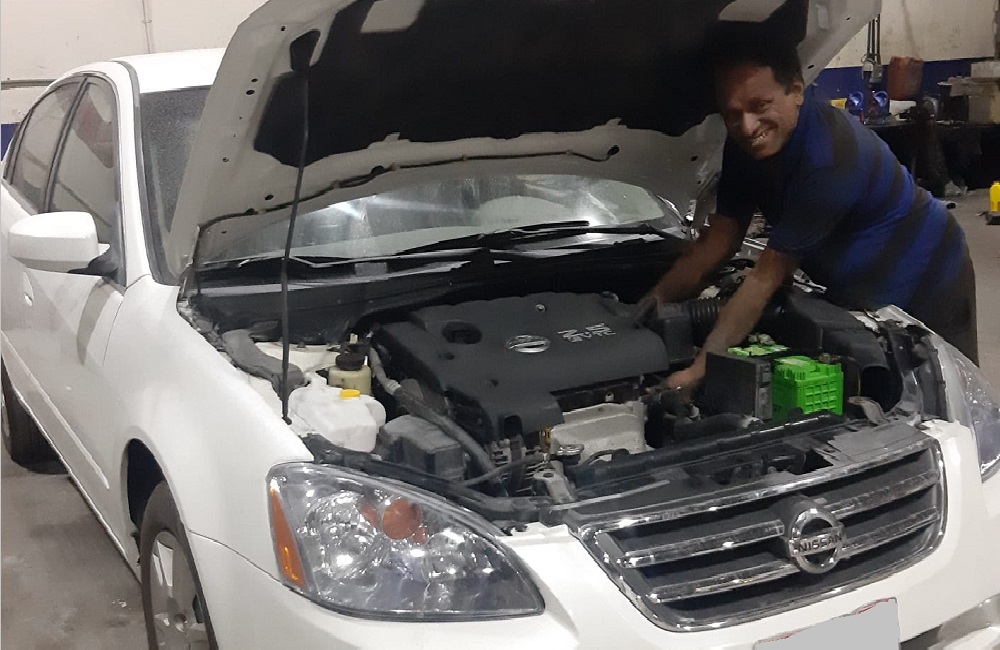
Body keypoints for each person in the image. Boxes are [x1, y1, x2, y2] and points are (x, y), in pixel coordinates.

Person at [646, 30, 978, 397]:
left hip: (932, 273)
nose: (747, 126)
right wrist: (651, 304)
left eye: (760, 105)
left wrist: (700, 369)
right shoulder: (744, 146)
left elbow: (766, 277)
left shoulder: (829, 157)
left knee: (947, 390)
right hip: (857, 286)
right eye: (733, 114)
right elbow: (720, 240)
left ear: (796, 91)